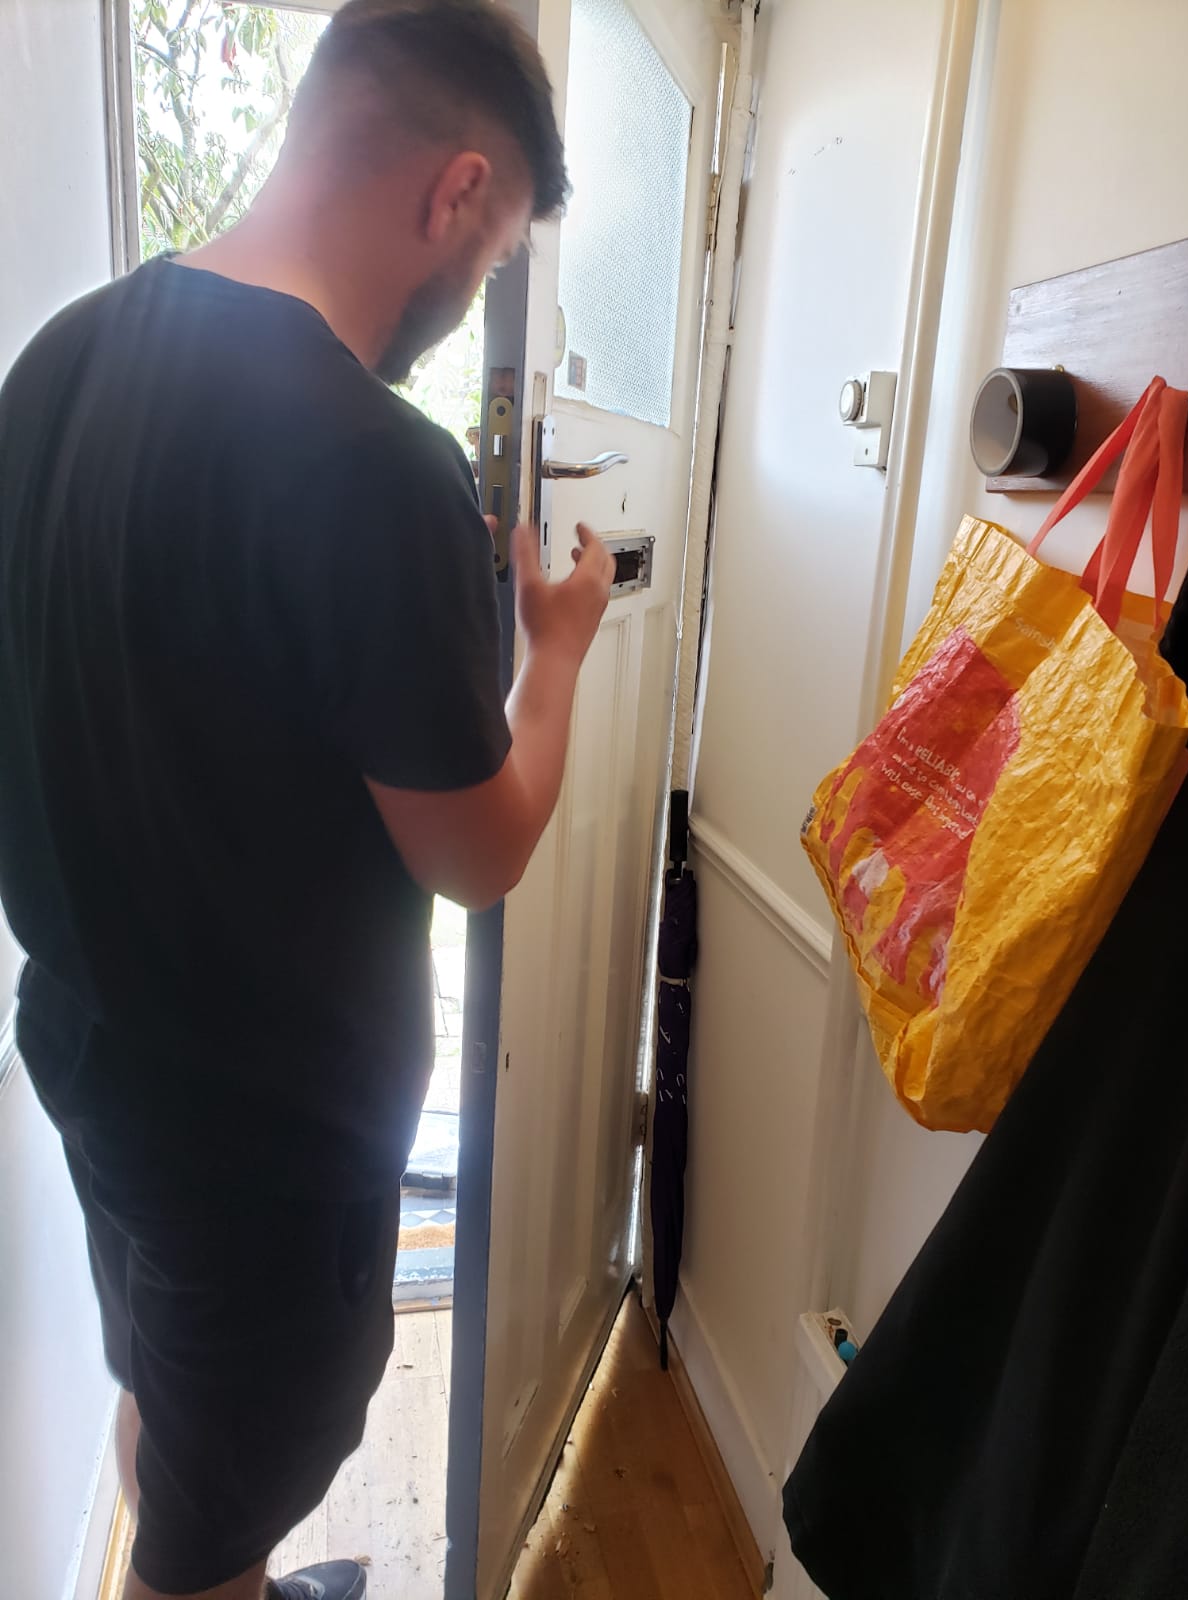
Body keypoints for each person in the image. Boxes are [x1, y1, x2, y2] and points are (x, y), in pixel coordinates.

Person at [0, 2, 615, 1597]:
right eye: (492, 255)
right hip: (259, 1157)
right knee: (207, 1532)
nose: (468, 296)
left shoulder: (58, 362)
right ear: (456, 191)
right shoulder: (373, 466)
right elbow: (478, 852)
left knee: (172, 1411)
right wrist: (555, 654)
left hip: (94, 1059)